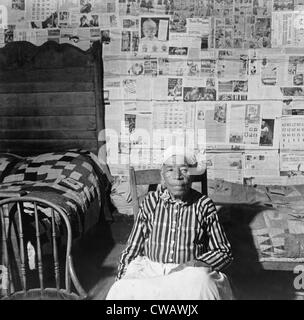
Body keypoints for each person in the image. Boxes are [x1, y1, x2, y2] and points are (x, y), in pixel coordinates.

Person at [106, 146, 234, 300]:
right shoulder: (151, 202)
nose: (177, 176)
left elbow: (223, 251)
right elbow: (133, 247)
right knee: (122, 290)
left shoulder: (203, 205)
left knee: (203, 282)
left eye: (184, 170)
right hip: (151, 271)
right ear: (162, 176)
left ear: (192, 175)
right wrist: (121, 279)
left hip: (188, 273)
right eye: (170, 170)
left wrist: (197, 263)